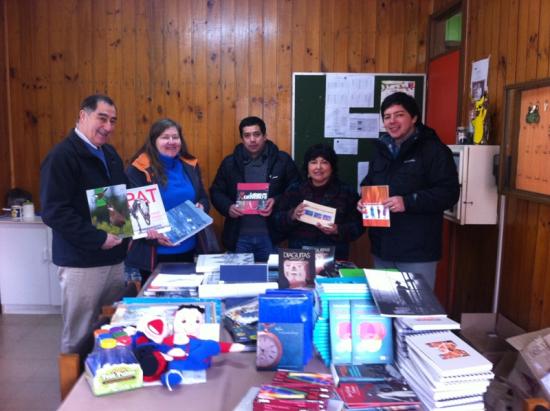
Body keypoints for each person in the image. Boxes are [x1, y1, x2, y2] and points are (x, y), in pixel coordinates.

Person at [40, 94, 128, 354]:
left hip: (114, 258)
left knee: (111, 328)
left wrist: (143, 227)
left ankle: (106, 376)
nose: (108, 127)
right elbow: (54, 212)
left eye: (113, 121)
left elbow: (117, 200)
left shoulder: (109, 153)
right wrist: (99, 238)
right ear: (82, 116)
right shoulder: (61, 156)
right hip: (81, 263)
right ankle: (74, 391)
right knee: (79, 333)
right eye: (102, 118)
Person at [358, 92, 459, 289]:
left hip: (417, 252)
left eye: (399, 115)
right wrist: (362, 199)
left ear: (414, 118)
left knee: (415, 313)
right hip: (382, 249)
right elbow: (368, 182)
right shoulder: (381, 151)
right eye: (387, 117)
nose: (392, 121)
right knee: (386, 312)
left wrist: (408, 201)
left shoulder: (434, 151)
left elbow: (449, 193)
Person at [125, 118, 210, 281]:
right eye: (165, 137)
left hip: (189, 250)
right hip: (154, 255)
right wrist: (148, 232)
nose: (171, 141)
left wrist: (202, 207)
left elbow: (203, 197)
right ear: (154, 141)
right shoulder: (138, 169)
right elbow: (131, 214)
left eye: (175, 137)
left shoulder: (190, 164)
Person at [210, 116, 300, 261]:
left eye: (256, 134)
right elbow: (216, 191)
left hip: (272, 237)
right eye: (247, 135)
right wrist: (228, 207)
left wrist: (276, 201)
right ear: (242, 139)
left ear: (264, 136)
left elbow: (296, 189)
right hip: (238, 237)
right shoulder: (229, 163)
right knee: (239, 281)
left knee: (272, 280)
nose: (252, 139)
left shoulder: (282, 160)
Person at [273, 144, 365, 260]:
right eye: (313, 162)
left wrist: (338, 230)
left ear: (332, 167)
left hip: (334, 257)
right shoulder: (294, 190)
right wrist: (292, 215)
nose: (318, 167)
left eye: (324, 162)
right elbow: (276, 220)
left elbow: (359, 226)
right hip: (299, 257)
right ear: (307, 167)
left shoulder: (347, 192)